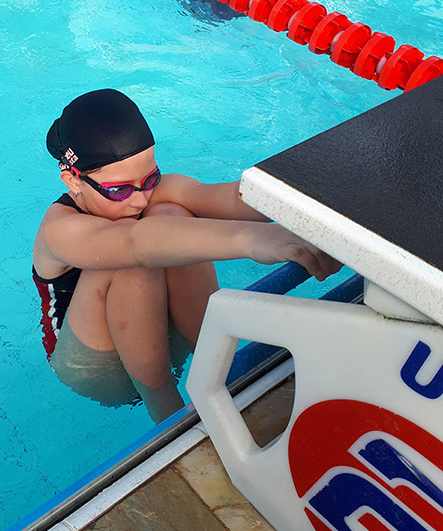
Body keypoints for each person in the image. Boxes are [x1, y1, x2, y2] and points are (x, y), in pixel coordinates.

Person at [33, 89, 339, 423]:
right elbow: (134, 243)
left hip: (160, 341)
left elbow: (227, 198)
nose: (139, 199)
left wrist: (321, 185)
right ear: (73, 180)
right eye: (119, 190)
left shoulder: (141, 193)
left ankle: (220, 366)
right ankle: (167, 412)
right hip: (98, 370)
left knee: (173, 214)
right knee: (130, 260)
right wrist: (257, 240)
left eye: (150, 178)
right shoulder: (59, 229)